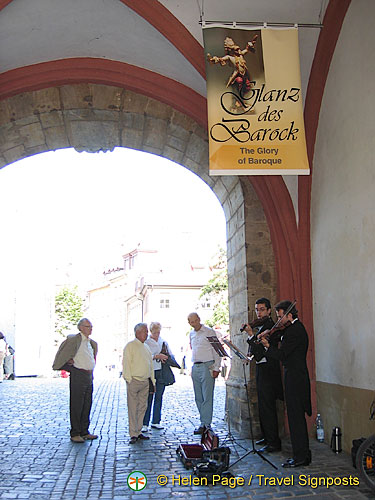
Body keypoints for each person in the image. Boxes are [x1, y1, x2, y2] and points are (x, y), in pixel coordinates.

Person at [260, 300, 312, 468]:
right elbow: (281, 338)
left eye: (280, 316)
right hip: (293, 376)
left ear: (290, 315)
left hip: (296, 378)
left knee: (296, 417)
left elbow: (282, 354)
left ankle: (301, 457)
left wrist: (268, 346)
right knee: (295, 416)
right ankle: (302, 453)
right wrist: (269, 334)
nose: (278, 320)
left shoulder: (295, 331)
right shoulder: (290, 329)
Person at [244, 298, 283, 453]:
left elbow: (260, 354)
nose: (258, 313)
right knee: (262, 405)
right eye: (256, 309)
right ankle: (267, 437)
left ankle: (274, 442)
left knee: (268, 407)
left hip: (269, 370)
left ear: (268, 311)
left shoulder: (271, 327)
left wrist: (251, 335)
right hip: (262, 370)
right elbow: (255, 352)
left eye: (261, 309)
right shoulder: (262, 327)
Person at [52, 318, 98, 443]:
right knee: (77, 404)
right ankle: (75, 432)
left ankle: (84, 431)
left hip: (88, 375)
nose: (90, 329)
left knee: (87, 404)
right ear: (81, 327)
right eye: (88, 326)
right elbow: (62, 356)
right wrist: (69, 366)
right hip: (78, 374)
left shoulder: (91, 342)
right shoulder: (74, 340)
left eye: (91, 326)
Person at [188, 312, 221, 434]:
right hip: (195, 365)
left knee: (207, 395)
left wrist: (216, 367)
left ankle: (206, 424)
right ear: (189, 323)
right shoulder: (191, 334)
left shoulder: (209, 332)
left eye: (196, 320)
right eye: (191, 322)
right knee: (198, 396)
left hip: (208, 365)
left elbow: (217, 350)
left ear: (199, 319)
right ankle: (203, 421)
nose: (194, 323)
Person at [122, 323, 155, 444]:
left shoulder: (146, 347)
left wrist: (152, 381)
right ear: (137, 332)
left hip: (145, 381)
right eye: (144, 331)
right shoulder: (130, 346)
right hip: (134, 380)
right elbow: (126, 363)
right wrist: (128, 379)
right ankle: (133, 433)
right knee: (133, 407)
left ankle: (139, 430)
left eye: (147, 331)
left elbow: (150, 365)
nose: (147, 333)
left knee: (142, 407)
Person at [141, 321, 171, 432]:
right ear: (151, 332)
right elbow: (144, 356)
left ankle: (156, 421)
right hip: (150, 372)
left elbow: (169, 353)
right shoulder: (147, 342)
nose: (157, 334)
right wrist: (156, 356)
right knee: (148, 398)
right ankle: (145, 423)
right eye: (155, 332)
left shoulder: (163, 341)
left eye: (158, 332)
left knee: (159, 397)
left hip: (161, 371)